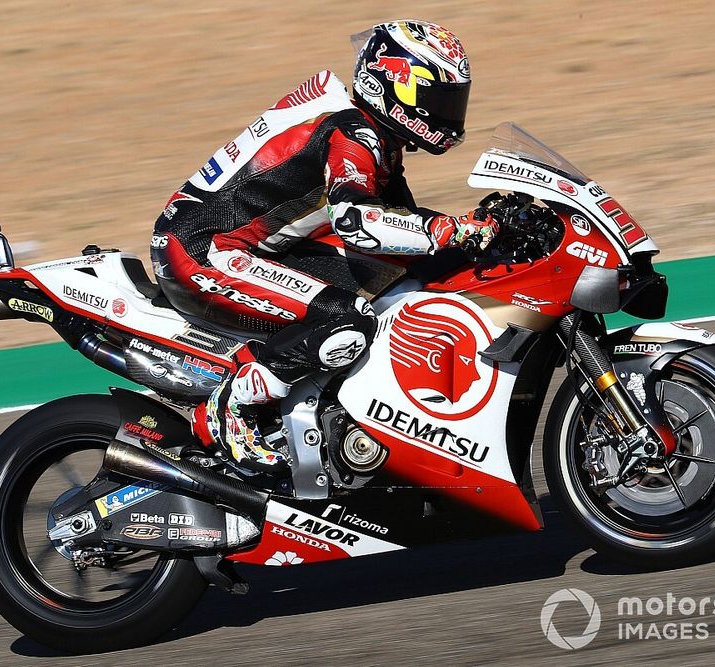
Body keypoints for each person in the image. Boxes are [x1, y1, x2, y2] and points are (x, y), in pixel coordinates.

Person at [151, 20, 500, 471]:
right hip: (203, 251)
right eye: (437, 99)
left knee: (405, 285)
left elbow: (405, 233)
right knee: (346, 319)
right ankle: (233, 407)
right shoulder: (352, 134)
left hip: (254, 249)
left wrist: (482, 235)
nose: (448, 113)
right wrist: (452, 230)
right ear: (394, 84)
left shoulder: (375, 139)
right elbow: (356, 222)